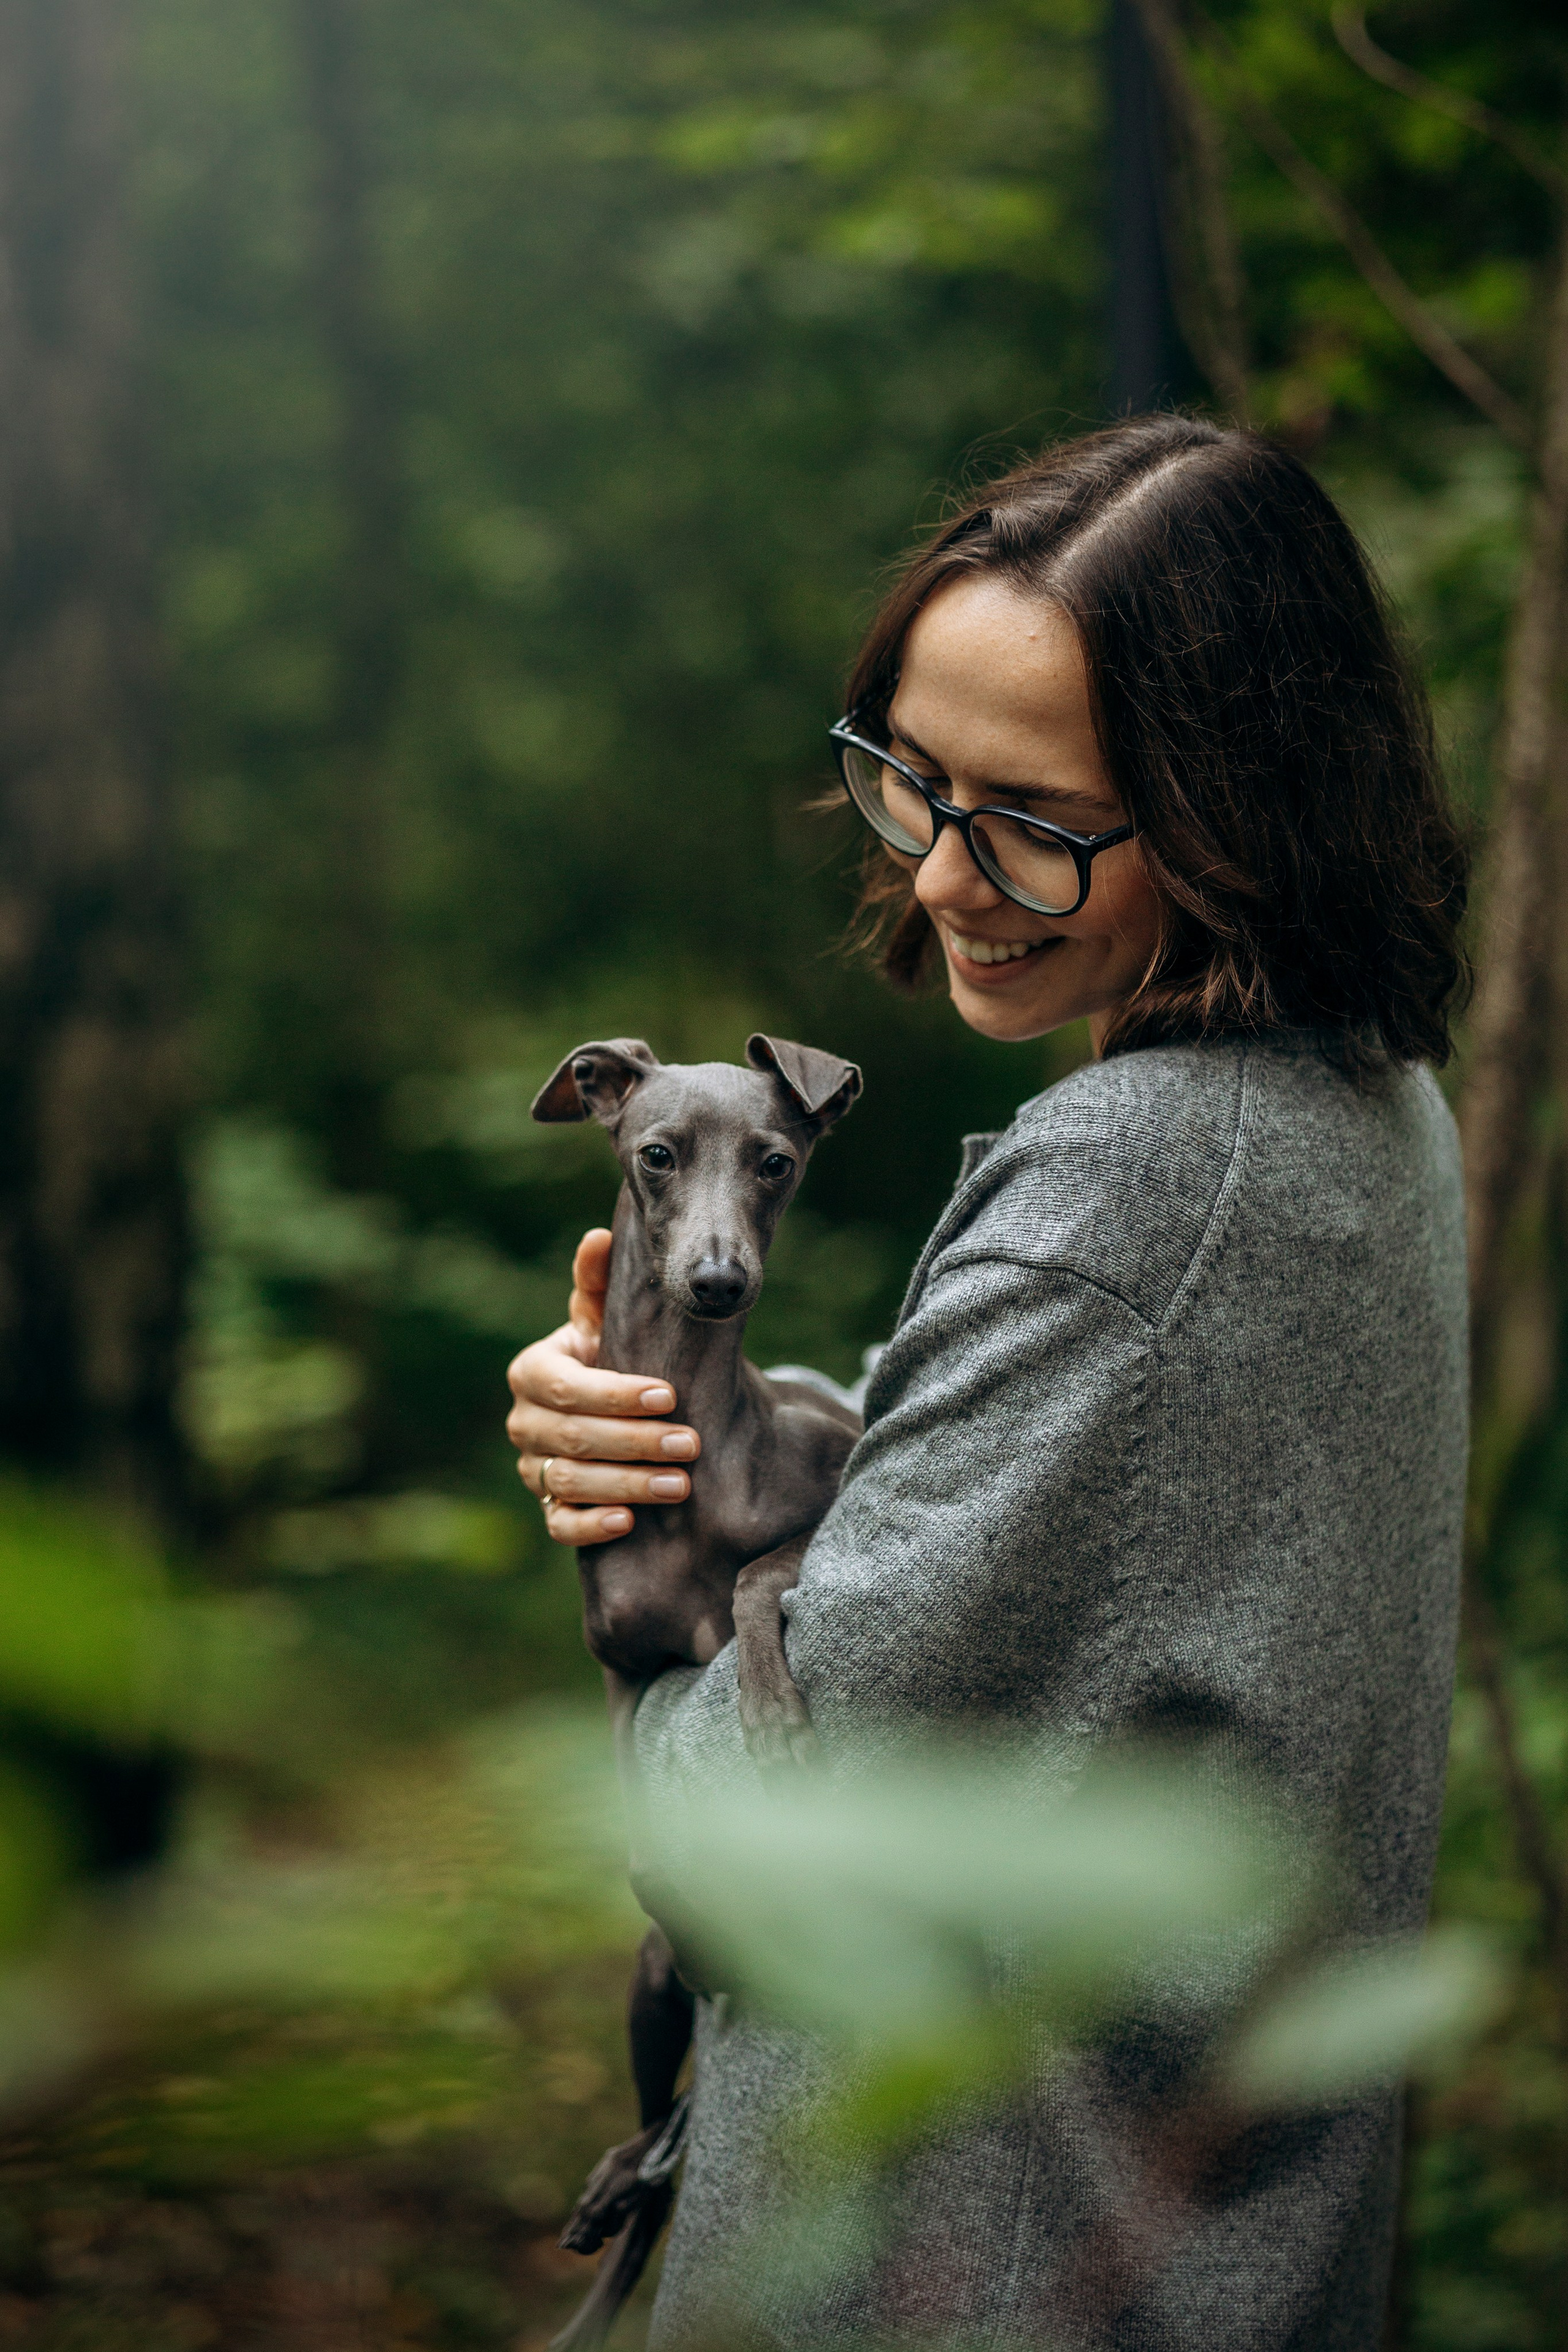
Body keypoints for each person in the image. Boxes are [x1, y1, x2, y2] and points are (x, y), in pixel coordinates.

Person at [507, 415, 1471, 2350]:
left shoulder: (1134, 1182)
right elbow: (1016, 1530)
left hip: (991, 2270)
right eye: (912, 782)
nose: (946, 874)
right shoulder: (1376, 1112)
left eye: (1032, 814)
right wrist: (668, 1426)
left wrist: (652, 1599)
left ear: (1239, 810)